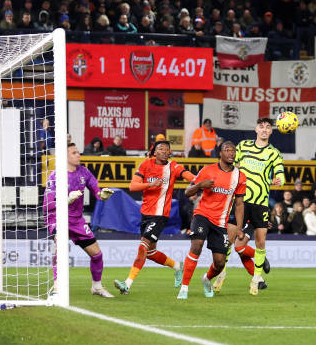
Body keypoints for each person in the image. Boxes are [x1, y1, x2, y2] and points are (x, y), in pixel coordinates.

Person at [114, 140, 195, 294]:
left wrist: (199, 181)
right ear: (155, 152)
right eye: (161, 148)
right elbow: (133, 186)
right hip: (145, 214)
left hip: (160, 215)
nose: (164, 151)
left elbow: (188, 176)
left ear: (170, 152)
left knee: (142, 247)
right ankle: (177, 266)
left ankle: (127, 284)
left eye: (167, 149)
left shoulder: (173, 166)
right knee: (150, 252)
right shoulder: (145, 165)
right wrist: (150, 185)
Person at [214, 118, 284, 295]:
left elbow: (281, 174)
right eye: (261, 126)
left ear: (271, 132)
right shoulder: (243, 146)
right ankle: (221, 273)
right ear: (256, 129)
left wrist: (279, 180)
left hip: (260, 204)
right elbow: (229, 163)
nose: (264, 130)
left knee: (260, 242)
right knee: (231, 240)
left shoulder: (274, 153)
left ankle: (256, 279)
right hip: (241, 202)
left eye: (268, 127)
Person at [176, 141, 247, 299]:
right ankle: (184, 288)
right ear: (220, 154)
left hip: (221, 222)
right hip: (202, 215)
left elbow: (240, 203)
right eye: (227, 150)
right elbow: (188, 192)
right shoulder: (207, 170)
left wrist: (239, 227)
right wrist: (200, 185)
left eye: (233, 150)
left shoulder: (239, 176)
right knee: (197, 245)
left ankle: (207, 279)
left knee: (220, 262)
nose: (231, 153)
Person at [43, 143, 115, 297]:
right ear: (65, 156)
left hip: (76, 220)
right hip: (57, 218)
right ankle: (56, 286)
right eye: (74, 152)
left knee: (97, 254)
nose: (78, 155)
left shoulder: (84, 172)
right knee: (60, 248)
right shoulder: (55, 176)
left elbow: (96, 189)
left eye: (78, 152)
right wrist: (67, 200)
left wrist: (101, 195)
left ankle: (96, 287)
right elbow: (47, 205)